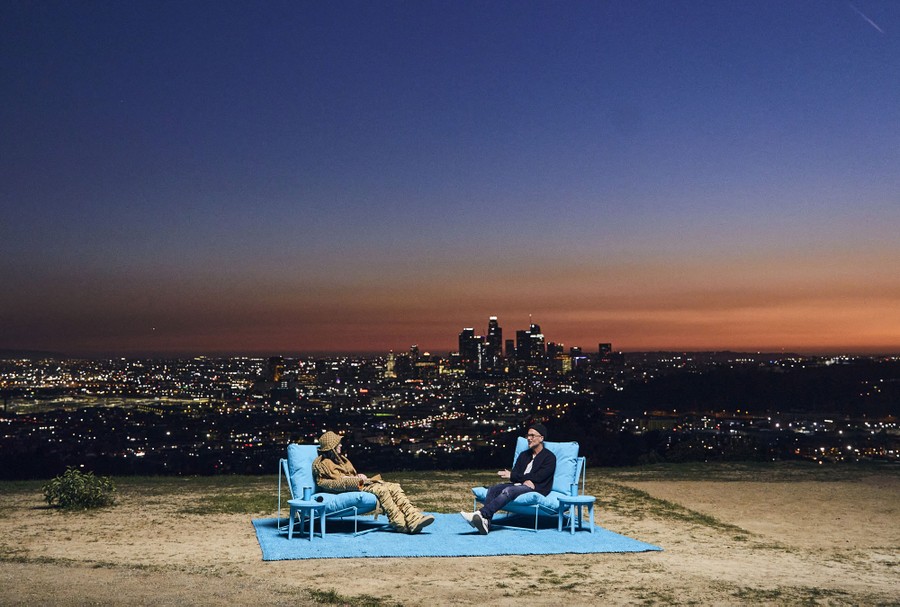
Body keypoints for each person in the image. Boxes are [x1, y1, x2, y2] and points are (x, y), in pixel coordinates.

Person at [312, 430, 435, 534]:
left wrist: (357, 476)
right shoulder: (323, 464)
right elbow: (328, 482)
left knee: (394, 486)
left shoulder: (341, 460)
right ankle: (400, 524)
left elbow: (348, 475)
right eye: (338, 443)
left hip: (357, 483)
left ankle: (413, 518)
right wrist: (353, 481)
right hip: (352, 487)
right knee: (381, 490)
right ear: (332, 447)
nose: (340, 445)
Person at [461, 422, 556, 535]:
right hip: (520, 484)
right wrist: (521, 479)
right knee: (494, 489)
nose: (529, 438)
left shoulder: (549, 457)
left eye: (532, 435)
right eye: (528, 435)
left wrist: (519, 478)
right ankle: (486, 522)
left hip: (537, 487)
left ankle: (481, 514)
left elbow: (539, 477)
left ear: (541, 438)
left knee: (509, 490)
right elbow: (515, 474)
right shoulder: (524, 455)